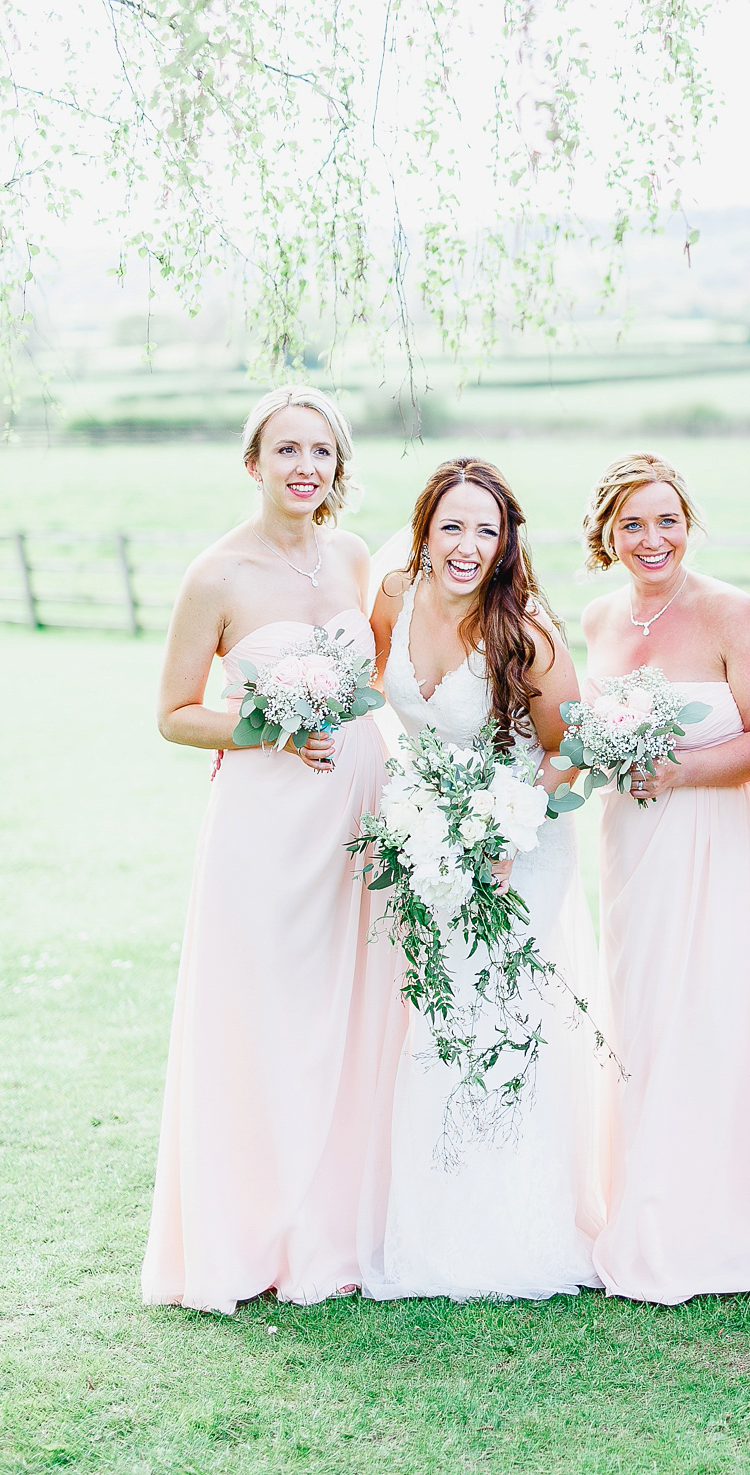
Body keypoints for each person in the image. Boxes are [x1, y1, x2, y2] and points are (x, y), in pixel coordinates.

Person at [142, 386, 390, 1313]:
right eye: (286, 450)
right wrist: (266, 728)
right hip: (265, 819)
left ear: (338, 464)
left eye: (321, 451)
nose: (305, 468)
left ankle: (339, 1223)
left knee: (352, 1005)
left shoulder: (355, 557)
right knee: (265, 1009)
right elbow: (172, 716)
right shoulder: (217, 575)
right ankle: (253, 1232)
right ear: (254, 464)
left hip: (356, 802)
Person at [580, 452, 750, 1305]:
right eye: (633, 524)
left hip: (716, 842)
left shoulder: (729, 613)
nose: (653, 539)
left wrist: (681, 771)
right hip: (630, 847)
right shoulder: (598, 619)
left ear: (689, 525)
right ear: (607, 533)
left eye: (668, 521)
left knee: (718, 1014)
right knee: (645, 1013)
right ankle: (648, 1209)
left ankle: (728, 1226)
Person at [358, 456, 604, 1301]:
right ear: (425, 528)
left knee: (503, 1017)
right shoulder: (392, 595)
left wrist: (507, 824)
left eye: (487, 532)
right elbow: (365, 690)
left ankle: (515, 1230)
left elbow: (571, 750)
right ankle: (435, 1226)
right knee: (438, 1021)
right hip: (430, 840)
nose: (468, 546)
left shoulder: (522, 632)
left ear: (506, 546)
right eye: (452, 526)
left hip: (516, 849)